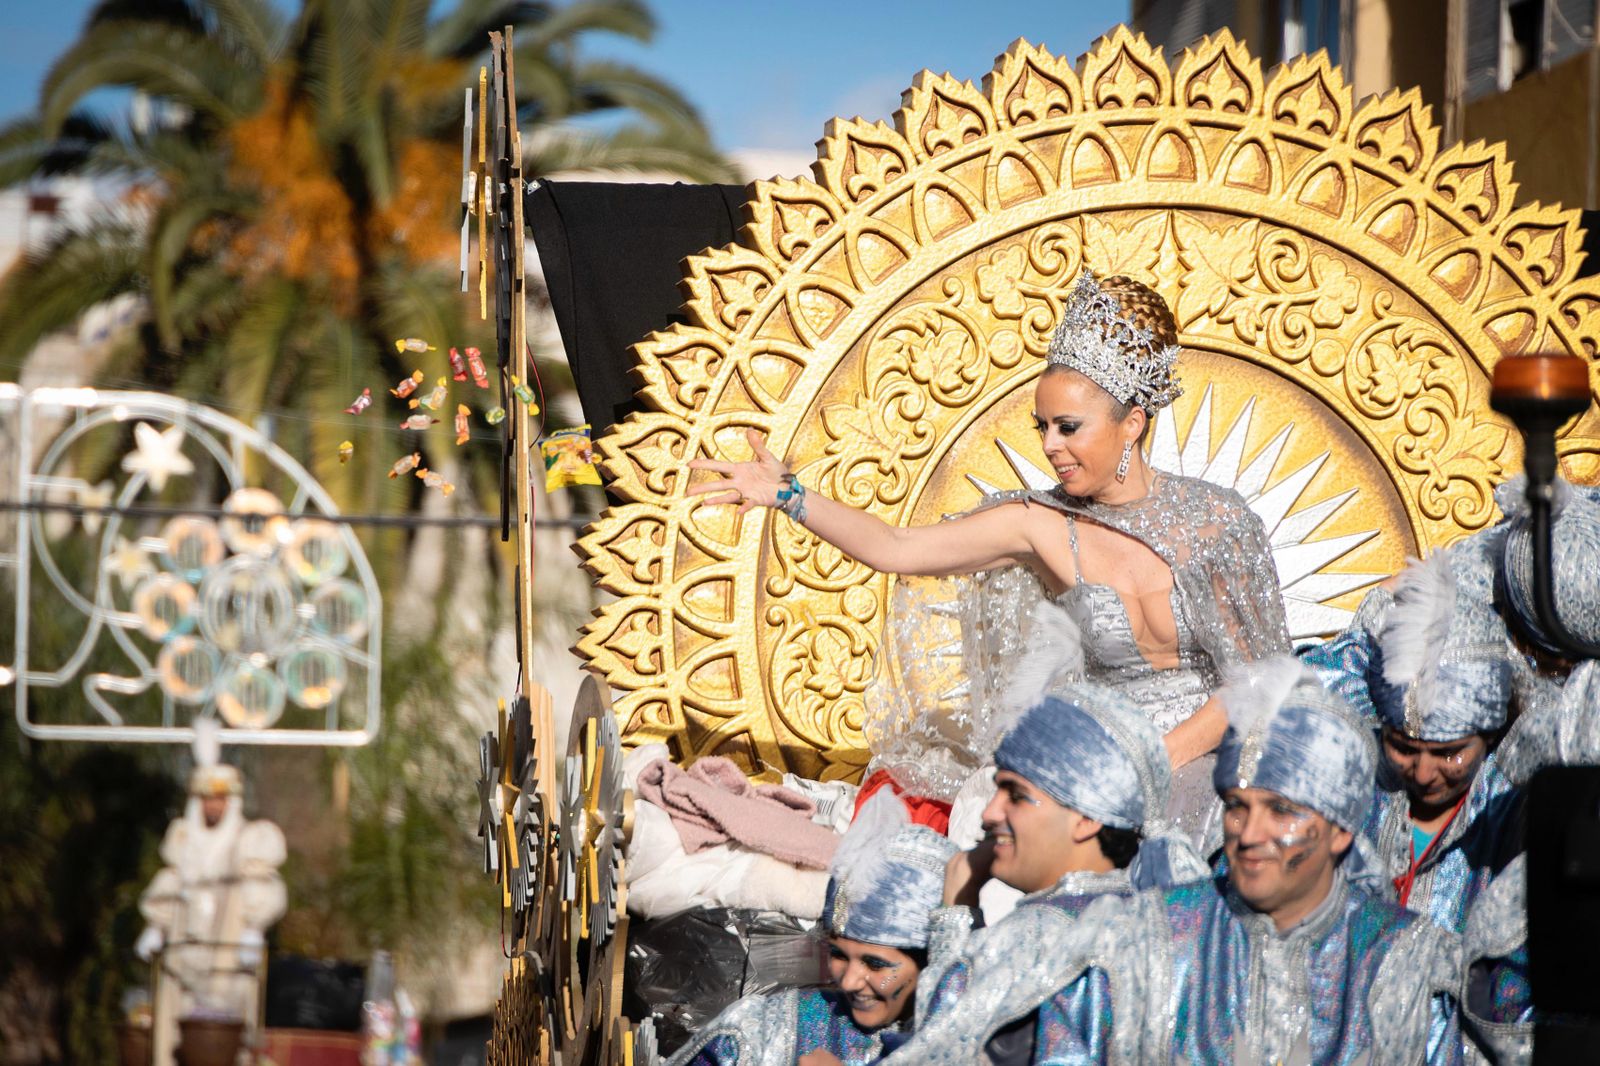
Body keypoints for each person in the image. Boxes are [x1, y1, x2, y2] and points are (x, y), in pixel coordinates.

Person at [689, 269, 1291, 829]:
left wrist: (1155, 761)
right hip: (1098, 764)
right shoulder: (1040, 524)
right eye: (1043, 427)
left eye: (1069, 427)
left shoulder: (1216, 520)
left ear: (1132, 423)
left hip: (1214, 757)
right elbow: (897, 548)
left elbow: (1255, 680)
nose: (1051, 445)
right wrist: (789, 496)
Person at [896, 657, 1465, 1065]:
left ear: (1341, 831)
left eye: (1282, 812)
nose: (1249, 833)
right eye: (1237, 807)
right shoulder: (1137, 938)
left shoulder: (1409, 964)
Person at [909, 681, 1207, 1064]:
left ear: (1085, 818)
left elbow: (937, 1053)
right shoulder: (1178, 924)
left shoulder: (1032, 939)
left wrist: (954, 915)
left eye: (1015, 795)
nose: (988, 814)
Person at [666, 794, 957, 1066]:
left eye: (875, 964)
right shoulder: (765, 1028)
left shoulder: (977, 1044)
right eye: (839, 954)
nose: (850, 982)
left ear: (931, 962)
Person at [136, 758, 287, 1066]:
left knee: (228, 1042)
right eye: (207, 798)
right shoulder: (184, 839)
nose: (213, 806)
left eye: (220, 798)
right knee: (173, 1039)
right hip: (182, 959)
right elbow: (171, 882)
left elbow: (262, 886)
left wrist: (253, 930)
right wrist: (155, 927)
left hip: (227, 962)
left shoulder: (248, 841)